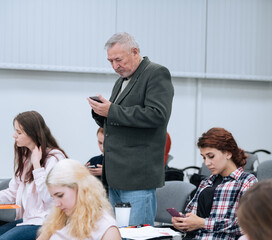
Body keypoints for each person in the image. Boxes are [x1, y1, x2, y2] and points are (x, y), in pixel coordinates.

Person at [87, 32, 174, 226]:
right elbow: (118, 120)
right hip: (115, 175)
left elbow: (157, 115)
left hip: (137, 176)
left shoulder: (156, 73)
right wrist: (100, 112)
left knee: (136, 236)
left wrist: (112, 111)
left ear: (134, 52)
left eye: (118, 59)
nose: (115, 66)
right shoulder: (121, 81)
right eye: (110, 61)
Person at [0, 110, 67, 240]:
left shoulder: (55, 158)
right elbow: (13, 191)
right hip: (28, 220)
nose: (14, 136)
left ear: (33, 134)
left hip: (46, 221)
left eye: (19, 132)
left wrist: (37, 166)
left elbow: (50, 198)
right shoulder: (27, 159)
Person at [171, 127, 258, 240]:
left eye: (211, 156)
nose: (207, 163)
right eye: (204, 158)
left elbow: (247, 226)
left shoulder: (247, 181)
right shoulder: (206, 182)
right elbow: (192, 219)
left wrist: (203, 223)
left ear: (228, 153)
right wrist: (182, 222)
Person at [36, 159, 121, 240]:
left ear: (80, 189)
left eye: (60, 195)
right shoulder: (57, 219)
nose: (56, 204)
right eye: (53, 198)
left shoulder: (106, 228)